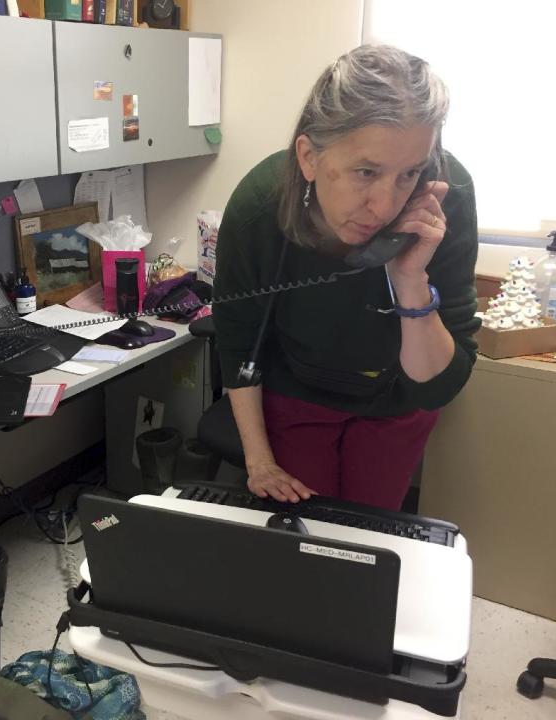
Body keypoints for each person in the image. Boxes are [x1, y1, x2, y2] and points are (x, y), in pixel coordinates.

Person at [212, 45, 480, 511]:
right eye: (365, 172)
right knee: (303, 532)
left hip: (397, 399)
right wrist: (259, 462)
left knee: (367, 538)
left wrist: (410, 277)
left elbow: (439, 386)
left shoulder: (444, 197)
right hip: (296, 392)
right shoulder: (262, 206)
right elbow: (237, 341)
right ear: (309, 157)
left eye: (408, 174)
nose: (385, 205)